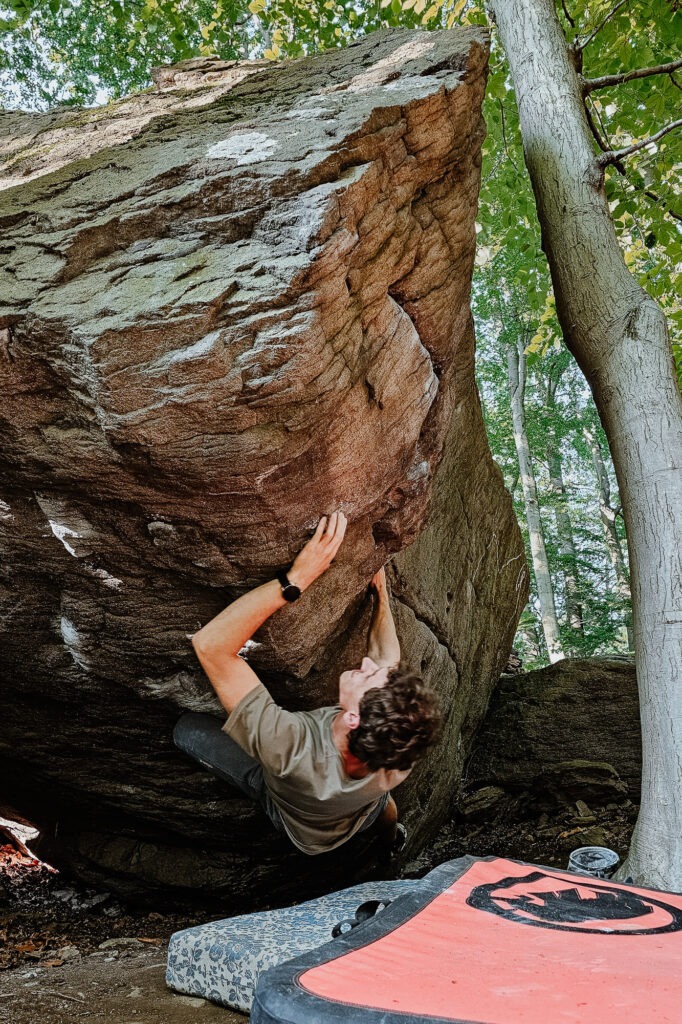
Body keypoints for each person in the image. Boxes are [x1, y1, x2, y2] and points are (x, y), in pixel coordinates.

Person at [173, 511, 443, 857]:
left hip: (301, 828)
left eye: (367, 677)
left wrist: (294, 580)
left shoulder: (288, 748)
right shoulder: (397, 756)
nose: (365, 664)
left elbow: (211, 646)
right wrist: (381, 595)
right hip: (361, 809)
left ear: (352, 720)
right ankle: (391, 843)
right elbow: (385, 657)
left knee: (185, 730)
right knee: (383, 810)